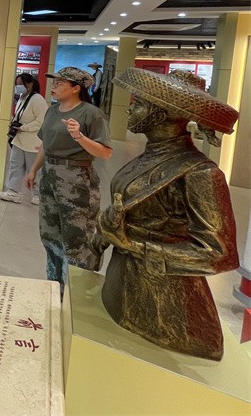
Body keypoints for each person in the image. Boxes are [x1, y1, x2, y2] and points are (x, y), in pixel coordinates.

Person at [96, 68, 239, 360]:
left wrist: (133, 245)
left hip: (166, 305)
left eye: (138, 104)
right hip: (122, 283)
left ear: (159, 114)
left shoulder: (200, 173)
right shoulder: (153, 155)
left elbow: (219, 254)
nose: (130, 109)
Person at [25, 66, 112, 291]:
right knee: (50, 234)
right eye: (53, 82)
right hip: (50, 177)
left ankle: (77, 292)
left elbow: (105, 152)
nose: (53, 87)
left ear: (76, 88)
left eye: (59, 83)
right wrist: (34, 170)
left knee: (77, 239)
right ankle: (55, 287)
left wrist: (79, 136)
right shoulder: (53, 111)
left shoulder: (91, 114)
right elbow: (46, 144)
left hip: (77, 181)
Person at [0, 73, 48, 205]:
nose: (18, 86)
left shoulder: (38, 99)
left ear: (30, 84)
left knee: (33, 169)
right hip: (19, 140)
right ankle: (13, 191)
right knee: (15, 165)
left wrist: (24, 128)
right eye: (17, 84)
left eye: (20, 84)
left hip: (32, 141)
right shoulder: (22, 97)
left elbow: (41, 121)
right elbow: (19, 115)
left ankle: (37, 194)